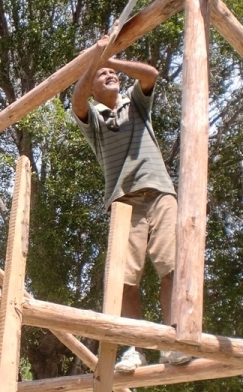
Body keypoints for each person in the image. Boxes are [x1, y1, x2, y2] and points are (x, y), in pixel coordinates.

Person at [71, 36, 191, 372]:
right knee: (125, 280)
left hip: (160, 193)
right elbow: (77, 101)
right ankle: (135, 348)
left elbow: (150, 74)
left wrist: (109, 58)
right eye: (102, 75)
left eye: (113, 73)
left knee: (172, 267)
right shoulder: (94, 120)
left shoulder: (135, 104)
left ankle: (172, 341)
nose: (110, 74)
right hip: (124, 203)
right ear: (93, 88)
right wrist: (93, 62)